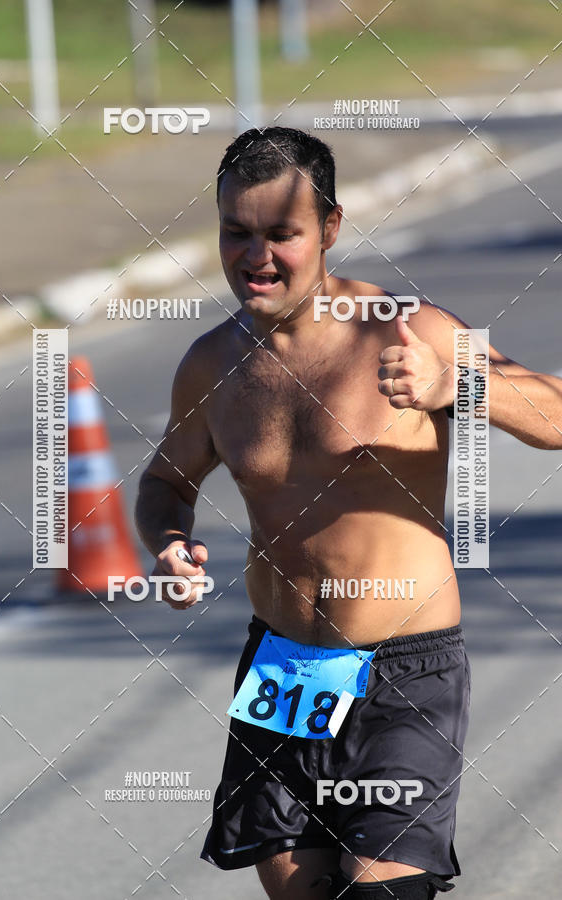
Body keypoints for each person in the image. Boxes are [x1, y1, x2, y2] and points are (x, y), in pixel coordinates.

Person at [135, 127, 562, 900]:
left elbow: (557, 416)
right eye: (237, 232)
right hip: (286, 668)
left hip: (405, 668)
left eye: (281, 235)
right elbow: (165, 479)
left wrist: (456, 386)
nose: (255, 256)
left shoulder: (411, 331)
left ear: (329, 229)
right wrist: (168, 540)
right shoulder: (212, 363)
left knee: (379, 891)